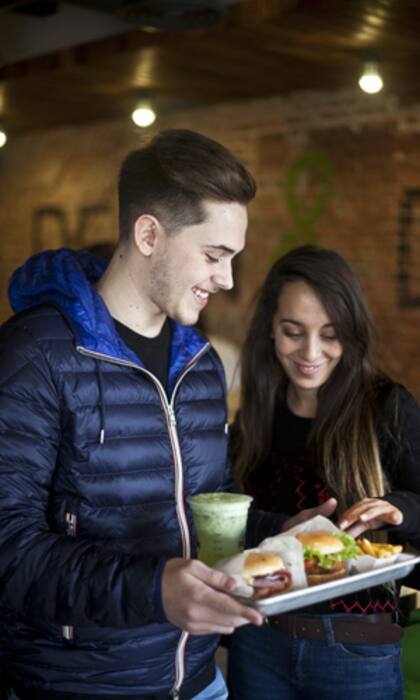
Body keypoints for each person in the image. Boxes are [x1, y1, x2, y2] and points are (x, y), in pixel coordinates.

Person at [0, 131, 333, 700]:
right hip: (80, 687)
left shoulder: (202, 364)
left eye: (232, 259)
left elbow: (204, 511)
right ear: (149, 234)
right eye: (214, 256)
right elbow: (10, 547)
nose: (227, 280)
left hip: (202, 683)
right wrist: (154, 590)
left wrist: (280, 534)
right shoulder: (33, 356)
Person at [227, 245, 420, 700]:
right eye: (292, 332)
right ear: (270, 329)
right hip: (258, 643)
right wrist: (277, 528)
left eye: (330, 335)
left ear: (352, 333)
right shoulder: (256, 414)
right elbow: (228, 523)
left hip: (356, 652)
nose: (310, 352)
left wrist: (399, 509)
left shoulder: (387, 406)